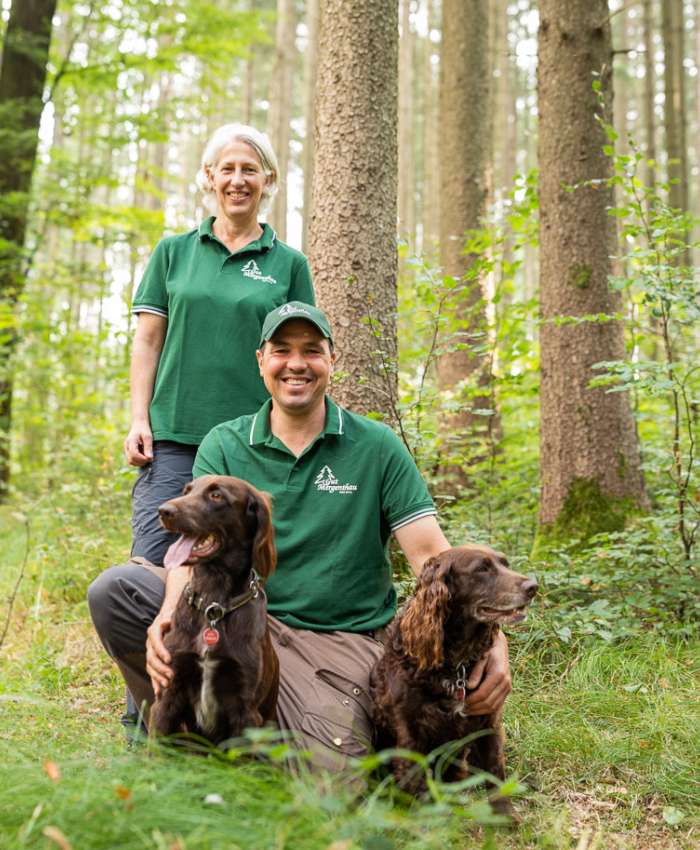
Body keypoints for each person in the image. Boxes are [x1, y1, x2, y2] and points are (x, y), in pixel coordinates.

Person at [88, 302, 511, 768]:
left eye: (311, 350)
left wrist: (495, 640)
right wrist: (169, 612)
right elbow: (194, 550)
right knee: (117, 591)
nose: (296, 363)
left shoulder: (377, 447)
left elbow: (433, 556)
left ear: (332, 360)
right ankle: (184, 729)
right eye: (281, 350)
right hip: (236, 616)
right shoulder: (225, 443)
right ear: (261, 361)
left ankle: (270, 741)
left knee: (333, 779)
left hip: (335, 638)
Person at [121, 124, 314, 731]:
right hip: (176, 441)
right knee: (155, 574)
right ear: (208, 178)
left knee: (243, 571)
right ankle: (148, 720)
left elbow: (299, 350)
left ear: (268, 181)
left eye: (249, 169)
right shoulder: (173, 252)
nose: (237, 180)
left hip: (249, 448)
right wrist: (139, 417)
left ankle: (249, 714)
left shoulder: (288, 264)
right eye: (226, 168)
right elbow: (148, 340)